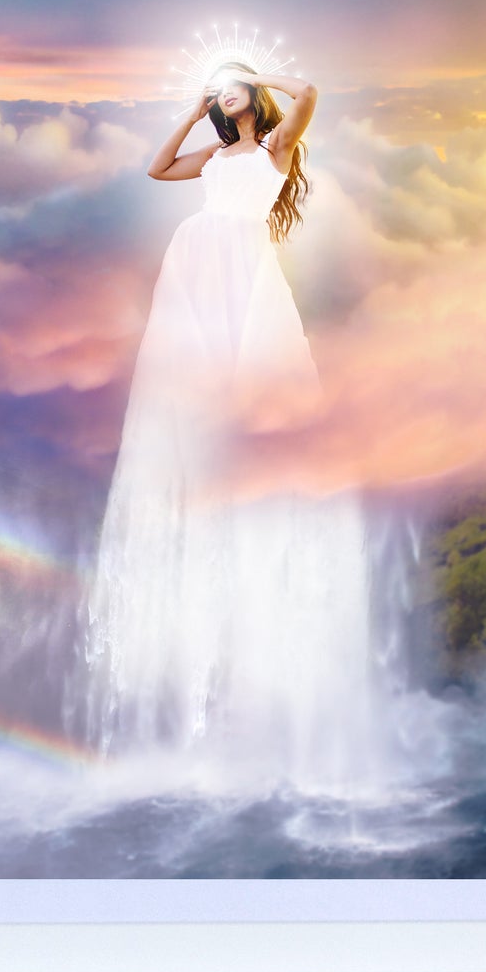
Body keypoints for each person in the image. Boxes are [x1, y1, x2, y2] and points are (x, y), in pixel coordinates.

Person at [76, 63, 377, 788]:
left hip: (243, 262)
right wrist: (191, 109)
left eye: (231, 86)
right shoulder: (214, 154)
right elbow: (156, 169)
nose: (225, 91)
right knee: (195, 375)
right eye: (221, 87)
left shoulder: (275, 147)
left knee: (251, 369)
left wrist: (256, 69)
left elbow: (312, 95)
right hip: (196, 260)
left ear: (252, 99)